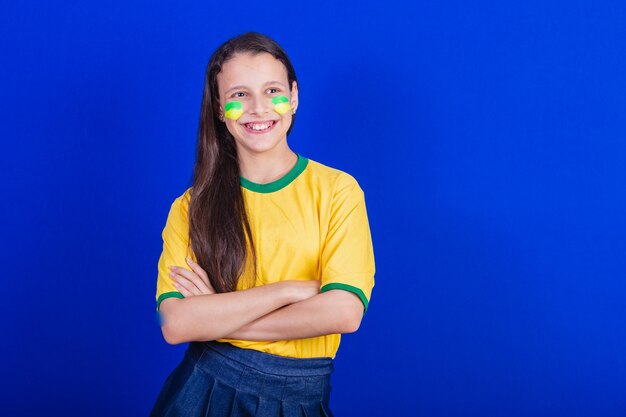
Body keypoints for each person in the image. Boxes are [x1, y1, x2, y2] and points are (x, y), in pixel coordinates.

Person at [150, 32, 375, 417]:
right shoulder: (191, 207)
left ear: (294, 96)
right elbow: (176, 323)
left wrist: (215, 316)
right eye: (239, 95)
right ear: (220, 109)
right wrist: (289, 290)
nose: (259, 108)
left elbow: (344, 312)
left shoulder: (338, 191)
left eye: (272, 90)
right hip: (200, 394)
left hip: (300, 395)